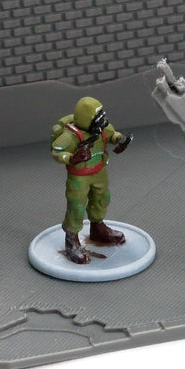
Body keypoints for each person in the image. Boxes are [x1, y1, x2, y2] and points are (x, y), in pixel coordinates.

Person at [50, 97, 132, 264]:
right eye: (97, 117)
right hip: (79, 177)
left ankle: (98, 228)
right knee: (76, 206)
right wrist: (72, 158)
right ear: (86, 119)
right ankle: (71, 240)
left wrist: (120, 139)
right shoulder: (70, 137)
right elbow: (56, 152)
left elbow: (112, 135)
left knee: (102, 198)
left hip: (99, 172)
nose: (102, 120)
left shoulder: (102, 128)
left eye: (102, 115)